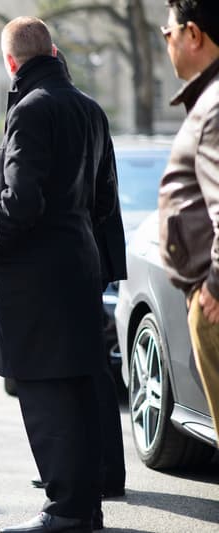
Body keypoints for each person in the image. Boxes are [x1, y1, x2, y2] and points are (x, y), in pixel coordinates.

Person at [0, 17, 121, 533]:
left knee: (47, 397)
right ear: (52, 52)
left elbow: (21, 197)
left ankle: (66, 511)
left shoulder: (31, 109)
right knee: (77, 391)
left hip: (36, 278)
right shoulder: (89, 108)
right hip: (80, 266)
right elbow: (104, 197)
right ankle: (85, 505)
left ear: (12, 62)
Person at [28, 47, 128, 504]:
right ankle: (96, 469)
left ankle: (96, 471)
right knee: (91, 370)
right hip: (92, 250)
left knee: (82, 371)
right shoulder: (90, 109)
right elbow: (106, 189)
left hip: (74, 255)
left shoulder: (51, 110)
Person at [158, 0, 219, 436]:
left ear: (193, 34)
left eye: (169, 32)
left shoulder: (215, 106)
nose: (167, 41)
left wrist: (214, 287)